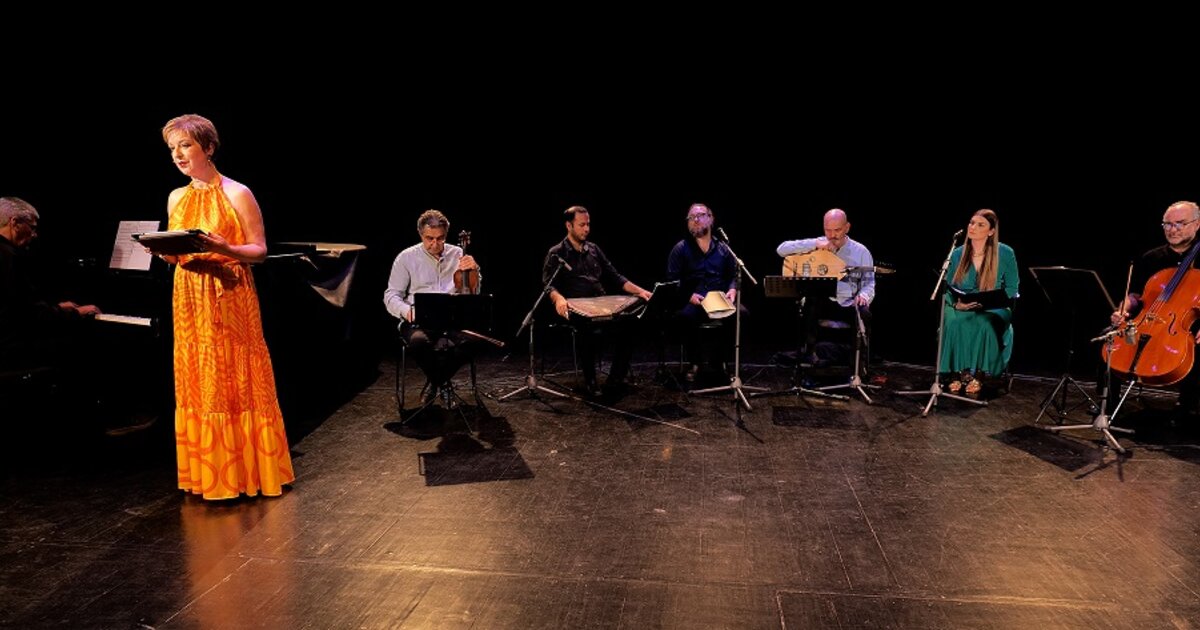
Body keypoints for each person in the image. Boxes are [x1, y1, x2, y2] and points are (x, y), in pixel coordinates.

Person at [161, 114, 293, 500]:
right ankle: (208, 476)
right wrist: (164, 251)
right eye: (172, 148)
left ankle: (246, 474)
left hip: (229, 293)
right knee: (201, 379)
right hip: (189, 298)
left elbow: (259, 251)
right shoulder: (176, 197)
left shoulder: (237, 193)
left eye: (185, 145)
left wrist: (225, 248)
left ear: (208, 147)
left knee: (234, 376)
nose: (178, 154)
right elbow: (176, 253)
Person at [544, 205, 652, 399]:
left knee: (630, 324)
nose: (587, 229)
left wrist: (641, 291)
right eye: (582, 225)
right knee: (587, 329)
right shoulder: (557, 252)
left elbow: (616, 277)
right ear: (569, 225)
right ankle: (591, 380)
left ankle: (615, 379)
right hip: (576, 308)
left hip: (600, 305)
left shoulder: (594, 249)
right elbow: (549, 285)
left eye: (588, 224)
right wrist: (558, 299)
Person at [1109, 200, 1200, 415]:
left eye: (1180, 223)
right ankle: (1108, 403)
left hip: (1191, 323)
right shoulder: (1151, 258)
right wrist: (1124, 308)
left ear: (1196, 224)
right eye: (1167, 224)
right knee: (1111, 338)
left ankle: (1188, 407)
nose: (1172, 229)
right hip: (1151, 319)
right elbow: (1136, 296)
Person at [383, 209, 482, 394]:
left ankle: (436, 380)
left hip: (452, 321)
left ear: (446, 235)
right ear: (420, 234)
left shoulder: (459, 254)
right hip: (419, 321)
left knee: (475, 341)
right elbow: (391, 295)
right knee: (419, 342)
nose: (435, 244)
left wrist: (475, 270)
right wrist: (407, 312)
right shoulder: (406, 257)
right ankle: (442, 381)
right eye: (429, 238)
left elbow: (473, 293)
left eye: (440, 238)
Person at [0, 197, 102, 372]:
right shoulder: (10, 257)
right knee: (77, 348)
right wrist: (76, 312)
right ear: (15, 223)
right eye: (32, 228)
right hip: (9, 350)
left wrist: (58, 308)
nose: (35, 234)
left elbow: (20, 306)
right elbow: (32, 316)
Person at [776, 208, 875, 368]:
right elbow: (781, 249)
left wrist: (863, 296)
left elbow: (869, 283)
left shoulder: (861, 252)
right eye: (828, 230)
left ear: (847, 227)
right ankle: (809, 357)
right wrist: (815, 243)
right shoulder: (818, 243)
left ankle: (858, 362)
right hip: (822, 302)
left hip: (848, 302)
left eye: (837, 230)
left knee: (864, 313)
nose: (832, 235)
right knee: (809, 303)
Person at [939, 209, 1019, 394]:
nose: (973, 227)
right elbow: (948, 287)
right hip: (962, 305)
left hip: (994, 307)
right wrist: (956, 304)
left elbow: (1012, 287)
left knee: (984, 323)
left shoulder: (1005, 252)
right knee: (952, 320)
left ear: (991, 231)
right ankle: (956, 372)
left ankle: (980, 374)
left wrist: (988, 302)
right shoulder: (958, 253)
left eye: (980, 224)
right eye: (971, 223)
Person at [665, 203, 741, 382]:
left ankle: (721, 361)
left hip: (719, 298)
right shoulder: (680, 248)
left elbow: (733, 275)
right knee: (685, 317)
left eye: (700, 215)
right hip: (695, 299)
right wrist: (688, 295)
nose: (695, 220)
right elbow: (672, 280)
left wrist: (732, 288)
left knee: (741, 315)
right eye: (691, 217)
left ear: (711, 219)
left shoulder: (723, 248)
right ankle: (695, 362)